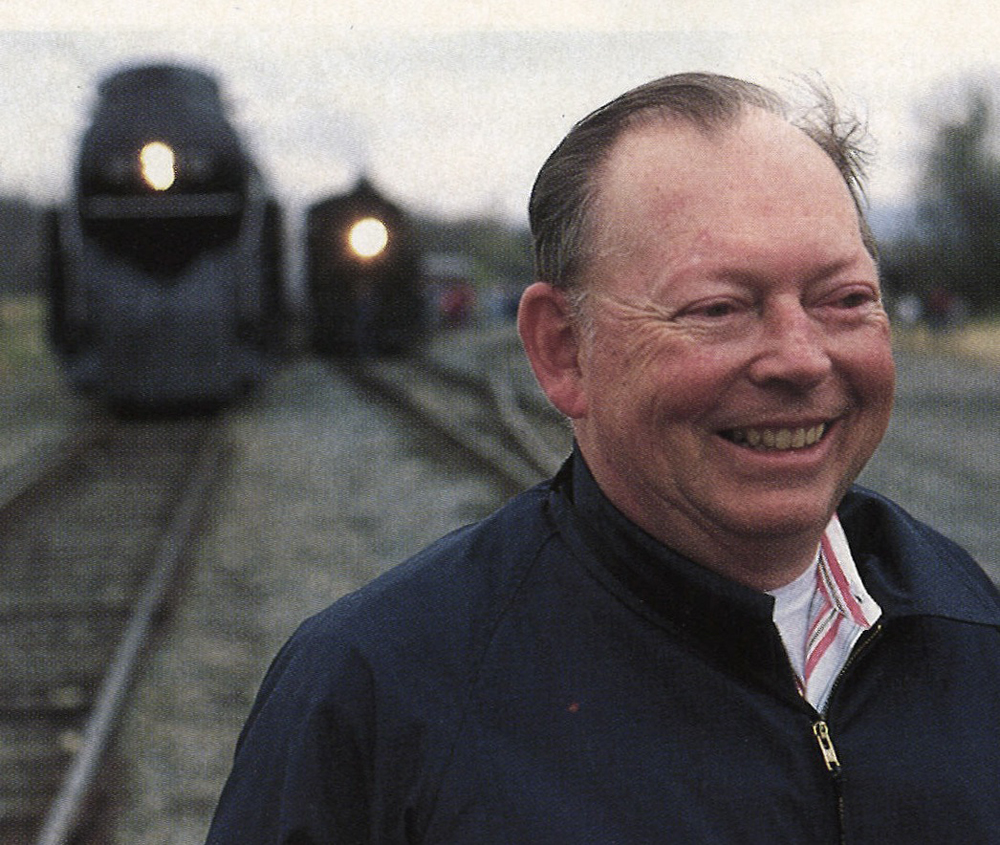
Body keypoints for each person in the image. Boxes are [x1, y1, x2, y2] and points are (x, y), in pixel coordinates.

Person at [205, 73, 1000, 844]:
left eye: (845, 299)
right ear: (563, 351)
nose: (799, 358)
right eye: (718, 308)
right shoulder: (372, 698)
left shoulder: (969, 623)